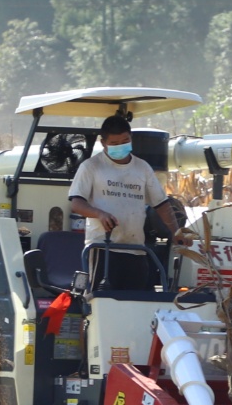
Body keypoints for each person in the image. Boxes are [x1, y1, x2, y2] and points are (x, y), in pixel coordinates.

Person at [66, 113, 171, 289]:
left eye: (125, 141)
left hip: (137, 250)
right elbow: (77, 204)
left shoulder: (142, 168)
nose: (120, 146)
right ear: (103, 143)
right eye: (114, 144)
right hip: (103, 249)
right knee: (102, 301)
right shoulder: (91, 167)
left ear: (131, 138)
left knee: (137, 303)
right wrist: (100, 214)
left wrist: (176, 231)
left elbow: (161, 204)